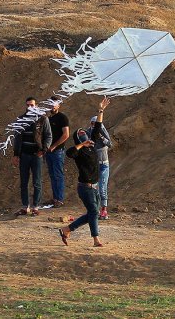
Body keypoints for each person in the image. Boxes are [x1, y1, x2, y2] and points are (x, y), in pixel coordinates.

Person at [58, 97, 110, 248]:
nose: (89, 140)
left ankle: (67, 229)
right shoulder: (78, 152)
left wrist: (100, 110)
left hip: (94, 186)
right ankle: (96, 239)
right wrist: (81, 145)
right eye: (84, 139)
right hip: (85, 187)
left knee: (92, 214)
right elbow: (70, 153)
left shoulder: (92, 145)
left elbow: (98, 127)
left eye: (87, 138)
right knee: (94, 212)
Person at [12, 97, 52, 217]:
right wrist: (16, 154)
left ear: (36, 105)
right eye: (28, 105)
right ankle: (25, 206)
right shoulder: (21, 119)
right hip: (24, 154)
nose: (30, 107)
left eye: (32, 105)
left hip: (37, 154)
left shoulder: (43, 119)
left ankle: (35, 206)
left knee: (37, 182)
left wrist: (44, 150)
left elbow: (48, 136)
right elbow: (17, 137)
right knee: (24, 182)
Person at [45, 97, 70, 208]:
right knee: (52, 175)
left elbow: (66, 135)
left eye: (54, 104)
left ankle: (59, 199)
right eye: (50, 104)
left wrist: (54, 146)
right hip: (49, 151)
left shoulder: (62, 118)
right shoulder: (49, 119)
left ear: (58, 105)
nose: (52, 106)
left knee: (58, 175)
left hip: (57, 151)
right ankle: (55, 198)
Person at [87, 115, 112, 220]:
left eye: (96, 124)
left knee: (102, 188)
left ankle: (104, 210)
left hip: (104, 164)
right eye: (92, 123)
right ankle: (95, 209)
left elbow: (110, 144)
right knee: (94, 188)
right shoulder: (89, 133)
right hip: (95, 165)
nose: (94, 126)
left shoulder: (103, 131)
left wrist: (101, 137)